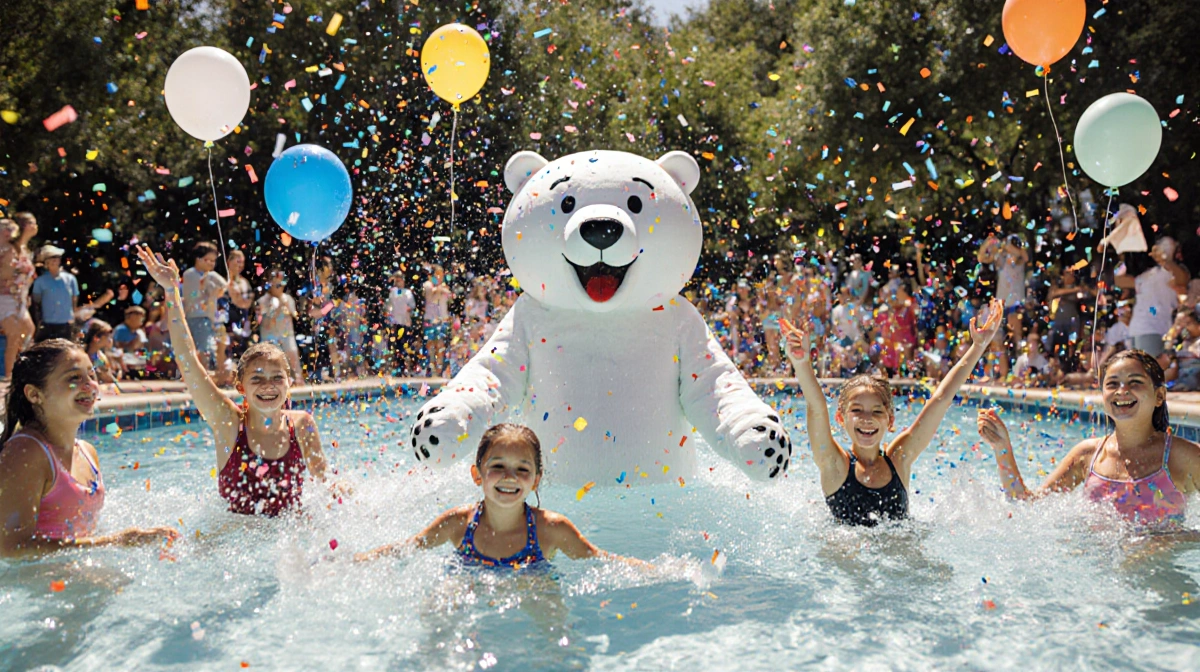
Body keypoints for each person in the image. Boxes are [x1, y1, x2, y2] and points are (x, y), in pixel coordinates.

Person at [138, 245, 337, 516]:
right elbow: (188, 362)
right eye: (257, 378)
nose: (268, 385)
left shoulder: (302, 424)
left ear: (289, 384)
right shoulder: (228, 423)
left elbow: (325, 485)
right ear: (240, 387)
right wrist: (172, 291)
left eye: (277, 377)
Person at [781, 298, 1003, 527]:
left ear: (890, 420)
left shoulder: (899, 458)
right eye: (857, 410)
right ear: (840, 418)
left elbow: (941, 399)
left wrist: (978, 346)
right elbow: (816, 408)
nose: (867, 418)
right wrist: (802, 363)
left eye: (877, 411)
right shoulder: (834, 464)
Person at [355, 424, 647, 569]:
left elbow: (603, 561)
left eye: (522, 469)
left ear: (536, 481)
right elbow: (408, 549)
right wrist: (355, 562)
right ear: (477, 475)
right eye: (498, 467)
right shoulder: (458, 524)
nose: (510, 477)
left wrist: (662, 571)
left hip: (532, 592)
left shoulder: (551, 529)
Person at [978, 350, 1200, 530]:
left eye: (1135, 382)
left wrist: (1168, 541)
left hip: (1161, 580)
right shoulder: (1088, 454)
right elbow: (1027, 505)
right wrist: (1002, 448)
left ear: (1159, 396)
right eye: (1112, 384)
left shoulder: (1178, 456)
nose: (1122, 391)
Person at [0, 339, 179, 556]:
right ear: (35, 394)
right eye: (74, 377)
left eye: (91, 376)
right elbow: (9, 548)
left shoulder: (86, 452)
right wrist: (116, 542)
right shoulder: (26, 452)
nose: (91, 385)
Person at [1117, 237, 1189, 357]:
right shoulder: (1147, 275)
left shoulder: (1176, 272)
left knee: (1151, 371)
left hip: (1154, 329)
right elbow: (1118, 280)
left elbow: (1182, 280)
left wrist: (1167, 262)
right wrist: (1122, 257)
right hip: (1137, 330)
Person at [977, 232, 1028, 378]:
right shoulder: (1002, 261)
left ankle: (1022, 375)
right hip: (1001, 307)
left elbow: (1024, 255)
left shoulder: (1019, 262)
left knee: (1018, 341)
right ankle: (1004, 375)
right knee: (999, 344)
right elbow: (982, 258)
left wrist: (1006, 245)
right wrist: (988, 243)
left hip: (1015, 305)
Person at [0, 215, 38, 380]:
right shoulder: (10, 249)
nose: (36, 226)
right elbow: (4, 273)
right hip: (5, 297)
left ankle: (18, 367)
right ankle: (9, 376)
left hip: (19, 299)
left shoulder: (25, 250)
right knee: (14, 334)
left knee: (29, 331)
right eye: (32, 223)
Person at [180, 242, 228, 371]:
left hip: (208, 317)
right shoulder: (190, 274)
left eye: (213, 261)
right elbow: (197, 293)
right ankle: (202, 374)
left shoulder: (210, 275)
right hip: (196, 316)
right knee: (203, 349)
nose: (211, 264)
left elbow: (225, 286)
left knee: (205, 347)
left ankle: (203, 373)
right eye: (208, 260)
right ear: (198, 259)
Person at [256, 268, 304, 383]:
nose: (279, 288)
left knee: (292, 355)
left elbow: (295, 316)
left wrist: (286, 306)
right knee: (270, 361)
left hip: (286, 336)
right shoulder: (262, 301)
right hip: (270, 337)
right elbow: (263, 323)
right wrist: (275, 310)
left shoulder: (287, 299)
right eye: (276, 285)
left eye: (281, 284)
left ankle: (299, 379)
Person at [30, 244, 79, 342]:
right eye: (50, 259)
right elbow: (36, 302)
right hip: (47, 323)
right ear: (46, 262)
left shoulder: (70, 279)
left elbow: (74, 299)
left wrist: (73, 317)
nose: (53, 261)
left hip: (66, 323)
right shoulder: (40, 281)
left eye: (56, 258)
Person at [422, 264, 453, 376]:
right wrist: (439, 290)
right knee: (431, 343)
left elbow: (449, 300)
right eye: (438, 274)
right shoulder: (428, 285)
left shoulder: (444, 287)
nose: (440, 277)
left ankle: (440, 368)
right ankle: (431, 365)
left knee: (440, 343)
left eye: (442, 274)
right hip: (430, 318)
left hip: (443, 319)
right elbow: (431, 298)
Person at [385, 270, 417, 375]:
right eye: (397, 281)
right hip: (396, 322)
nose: (399, 283)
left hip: (405, 322)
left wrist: (408, 309)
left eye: (400, 280)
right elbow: (389, 306)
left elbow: (412, 305)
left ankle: (408, 366)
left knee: (406, 344)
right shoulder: (392, 293)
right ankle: (399, 366)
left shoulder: (407, 293)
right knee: (397, 345)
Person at [83, 320, 120, 384]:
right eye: (107, 337)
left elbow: (108, 377)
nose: (110, 340)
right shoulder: (83, 355)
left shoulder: (101, 356)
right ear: (96, 338)